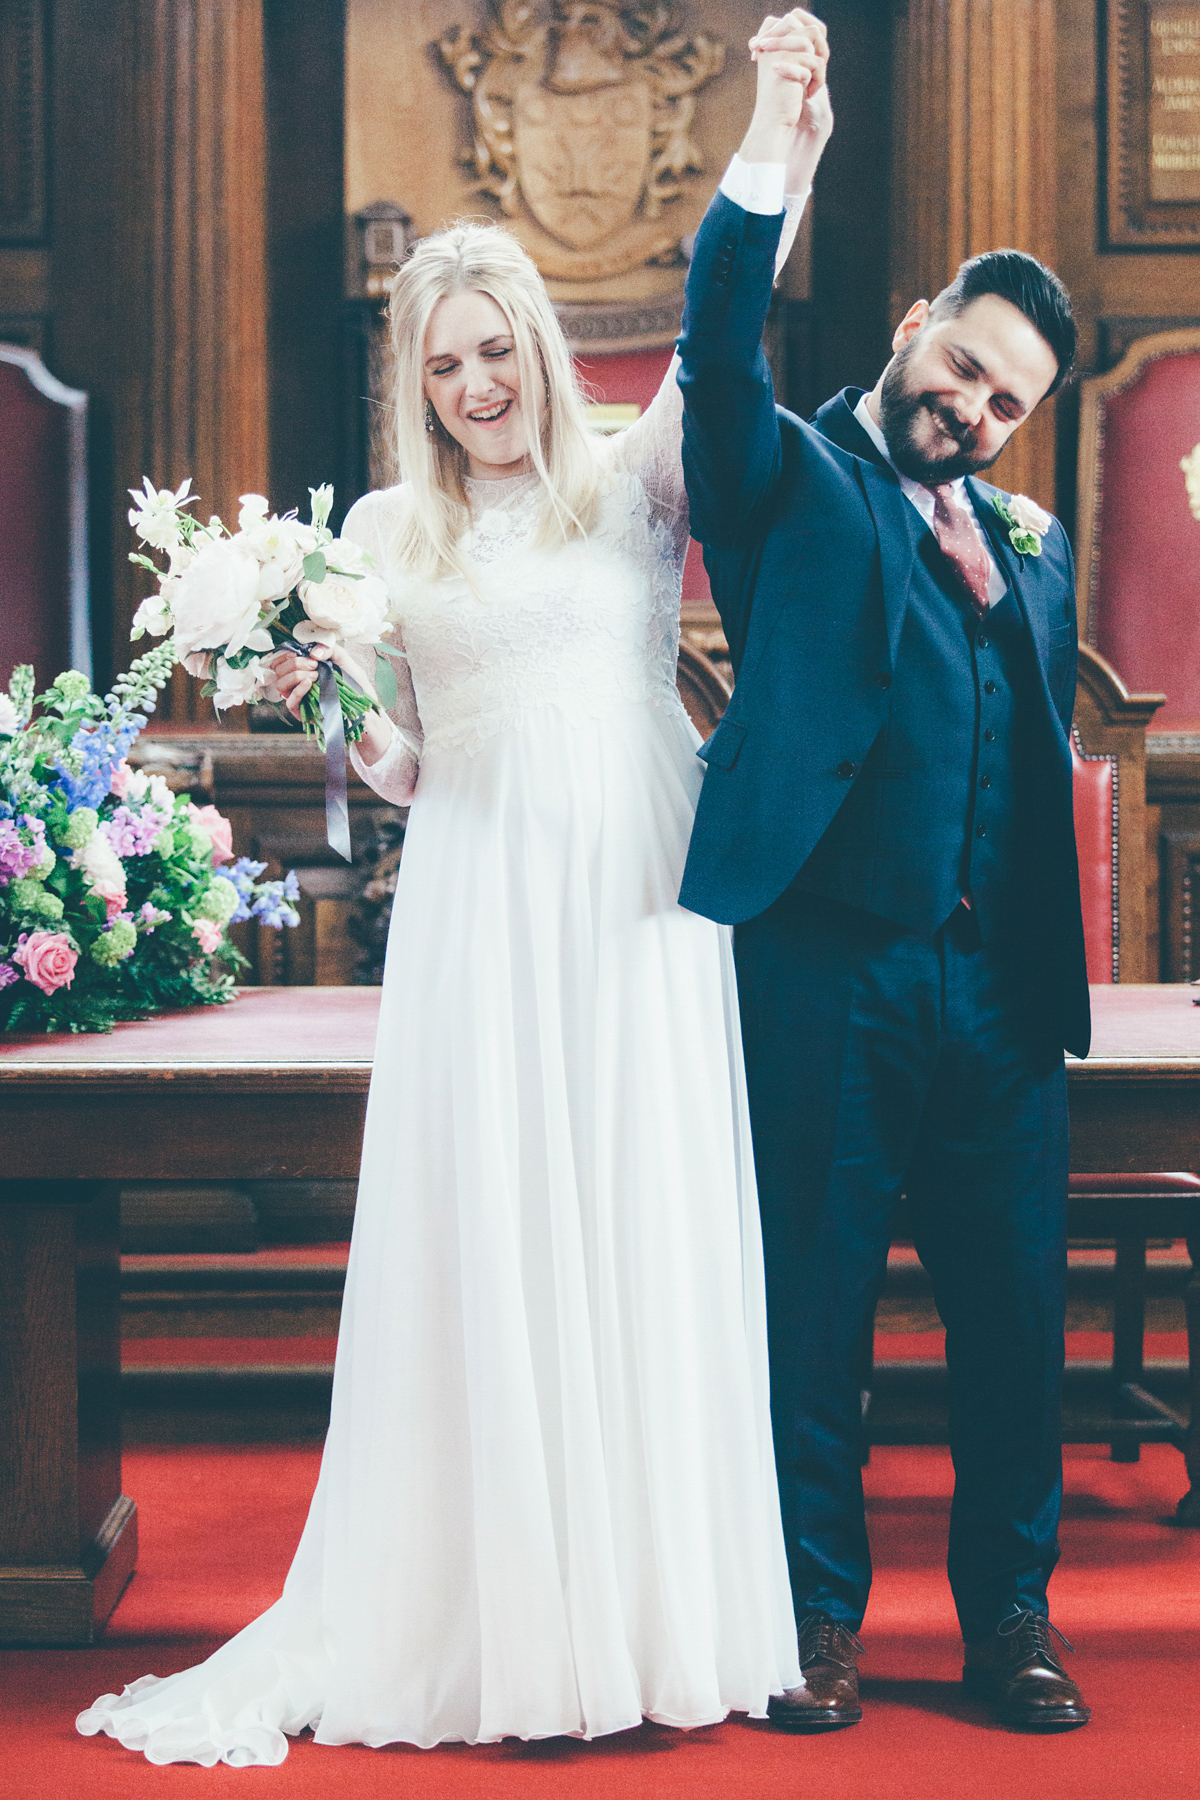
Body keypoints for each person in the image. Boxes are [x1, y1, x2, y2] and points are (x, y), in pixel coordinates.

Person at [76, 17, 833, 1766]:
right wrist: (323, 703)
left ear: (545, 352)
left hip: (637, 897)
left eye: (497, 351)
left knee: (633, 1216)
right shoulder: (387, 539)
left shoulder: (635, 474)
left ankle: (649, 1621)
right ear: (412, 381)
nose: (476, 384)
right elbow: (410, 769)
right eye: (444, 363)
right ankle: (503, 1627)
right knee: (496, 1231)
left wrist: (780, 139)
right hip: (486, 899)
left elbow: (734, 315)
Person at [678, 7, 1091, 1734]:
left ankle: (1010, 1621)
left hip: (997, 995)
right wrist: (778, 143)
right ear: (914, 323)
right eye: (964, 366)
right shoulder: (791, 478)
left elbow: (1023, 744)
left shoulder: (1030, 546)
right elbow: (719, 347)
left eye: (1008, 400)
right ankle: (815, 1621)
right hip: (827, 975)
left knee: (1012, 1336)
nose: (976, 408)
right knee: (813, 1323)